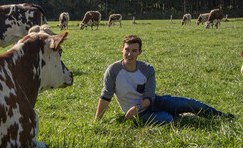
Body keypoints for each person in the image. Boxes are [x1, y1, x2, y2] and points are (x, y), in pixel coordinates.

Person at [94, 35, 233, 125]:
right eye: (127, 50)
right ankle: (180, 117)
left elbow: (149, 97)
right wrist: (97, 121)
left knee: (190, 103)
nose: (130, 54)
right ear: (122, 50)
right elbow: (106, 96)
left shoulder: (147, 69)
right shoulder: (113, 70)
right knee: (168, 119)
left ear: (140, 52)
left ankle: (222, 116)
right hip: (140, 115)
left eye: (134, 51)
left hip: (153, 103)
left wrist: (137, 107)